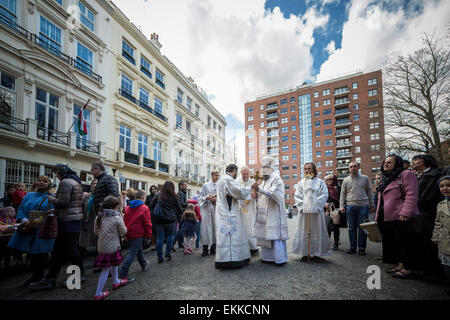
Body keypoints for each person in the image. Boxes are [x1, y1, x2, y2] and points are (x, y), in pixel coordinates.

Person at [30, 164, 84, 291]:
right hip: (72, 220)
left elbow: (64, 202)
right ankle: (50, 278)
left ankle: (77, 275)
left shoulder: (65, 182)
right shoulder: (75, 181)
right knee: (60, 251)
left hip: (67, 220)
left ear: (61, 173)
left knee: (69, 250)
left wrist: (51, 198)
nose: (56, 176)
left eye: (56, 173)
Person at [375, 154, 421, 279]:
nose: (386, 164)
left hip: (401, 215)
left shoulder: (406, 174)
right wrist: (377, 216)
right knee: (397, 242)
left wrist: (406, 212)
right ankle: (400, 265)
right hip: (388, 215)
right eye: (385, 162)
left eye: (390, 162)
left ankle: (409, 268)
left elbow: (412, 194)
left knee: (407, 242)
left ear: (397, 164)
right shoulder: (385, 178)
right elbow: (381, 200)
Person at [7, 176, 56, 287]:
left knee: (40, 254)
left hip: (42, 229)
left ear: (50, 184)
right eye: (39, 180)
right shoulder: (29, 195)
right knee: (31, 254)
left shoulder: (52, 198)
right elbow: (21, 209)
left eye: (45, 181)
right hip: (27, 227)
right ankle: (35, 276)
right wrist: (24, 220)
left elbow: (52, 213)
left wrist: (39, 220)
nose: (41, 182)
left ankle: (39, 276)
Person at [411, 154, 445, 278]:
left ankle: (433, 272)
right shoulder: (419, 176)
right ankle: (424, 269)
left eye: (416, 159)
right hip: (420, 214)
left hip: (429, 213)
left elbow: (428, 196)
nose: (413, 162)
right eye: (412, 160)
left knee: (430, 242)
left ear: (426, 161)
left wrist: (416, 204)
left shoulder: (434, 174)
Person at [215, 164, 254, 269]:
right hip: (230, 214)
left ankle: (223, 259)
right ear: (235, 171)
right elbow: (239, 192)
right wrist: (251, 187)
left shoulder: (221, 180)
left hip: (223, 213)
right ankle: (232, 260)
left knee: (225, 236)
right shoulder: (228, 179)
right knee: (232, 236)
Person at [253, 157, 289, 266]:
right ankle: (267, 258)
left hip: (274, 213)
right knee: (266, 235)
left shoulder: (276, 179)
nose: (264, 170)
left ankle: (279, 258)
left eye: (266, 168)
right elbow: (261, 196)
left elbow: (274, 194)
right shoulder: (264, 181)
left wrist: (259, 190)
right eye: (262, 167)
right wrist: (256, 195)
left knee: (275, 236)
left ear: (271, 169)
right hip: (264, 213)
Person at [292, 162, 330, 262]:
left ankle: (317, 254)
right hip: (305, 212)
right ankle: (305, 253)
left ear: (314, 170)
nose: (307, 171)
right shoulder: (300, 183)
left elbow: (324, 194)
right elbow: (297, 196)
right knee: (304, 231)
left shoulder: (320, 182)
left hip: (316, 212)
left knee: (317, 231)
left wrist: (315, 206)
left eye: (309, 169)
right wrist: (303, 206)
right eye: (305, 169)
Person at [92, 196, 128, 300]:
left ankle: (116, 281)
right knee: (105, 270)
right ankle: (98, 292)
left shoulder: (98, 217)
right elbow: (124, 231)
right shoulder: (116, 218)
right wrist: (121, 217)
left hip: (102, 246)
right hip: (112, 246)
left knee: (114, 264)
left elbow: (96, 232)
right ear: (115, 206)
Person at [339, 162, 374, 255]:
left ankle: (362, 248)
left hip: (363, 206)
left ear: (358, 167)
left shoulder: (365, 178)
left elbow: (370, 191)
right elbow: (342, 194)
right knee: (351, 228)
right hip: (350, 206)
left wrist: (372, 204)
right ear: (349, 169)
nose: (353, 168)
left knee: (363, 228)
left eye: (355, 166)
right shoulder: (345, 180)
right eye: (351, 167)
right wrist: (341, 206)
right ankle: (352, 247)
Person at [119, 190, 151, 282]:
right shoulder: (144, 208)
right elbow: (147, 223)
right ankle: (122, 274)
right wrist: (149, 235)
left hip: (129, 232)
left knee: (138, 249)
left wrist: (125, 234)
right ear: (143, 198)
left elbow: (125, 221)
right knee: (132, 253)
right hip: (138, 233)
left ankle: (144, 264)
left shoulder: (128, 208)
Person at [149, 181, 182, 263]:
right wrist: (181, 214)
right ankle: (167, 253)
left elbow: (151, 206)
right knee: (171, 236)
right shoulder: (174, 196)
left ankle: (160, 257)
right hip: (171, 220)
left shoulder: (158, 195)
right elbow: (179, 209)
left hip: (159, 220)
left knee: (160, 239)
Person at [432, 176, 450, 295]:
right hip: (445, 241)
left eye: (448, 185)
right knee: (447, 266)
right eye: (442, 186)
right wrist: (435, 236)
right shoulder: (441, 204)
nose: (445, 188)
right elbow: (438, 222)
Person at [238, 166, 259, 256]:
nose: (245, 176)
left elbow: (256, 194)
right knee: (242, 227)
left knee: (251, 227)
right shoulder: (237, 182)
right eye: (244, 174)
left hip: (250, 208)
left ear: (249, 174)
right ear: (241, 174)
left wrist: (254, 194)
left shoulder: (252, 182)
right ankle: (243, 246)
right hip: (240, 208)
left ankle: (253, 247)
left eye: (247, 174)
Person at [199, 170, 220, 257]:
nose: (217, 177)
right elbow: (200, 197)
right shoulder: (205, 185)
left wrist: (216, 199)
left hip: (216, 209)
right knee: (205, 229)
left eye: (218, 175)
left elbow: (222, 197)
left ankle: (213, 248)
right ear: (211, 175)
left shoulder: (220, 185)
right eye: (216, 175)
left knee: (215, 228)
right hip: (207, 209)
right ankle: (205, 248)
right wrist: (207, 198)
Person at [79, 179, 98, 268]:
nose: (94, 185)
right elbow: (82, 208)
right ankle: (79, 266)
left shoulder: (100, 196)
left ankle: (98, 264)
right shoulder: (86, 196)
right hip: (87, 222)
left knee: (98, 246)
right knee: (82, 244)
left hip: (97, 223)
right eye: (93, 183)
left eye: (96, 183)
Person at [324, 174, 345, 250]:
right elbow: (322, 198)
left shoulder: (339, 188)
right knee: (327, 227)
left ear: (334, 180)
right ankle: (327, 242)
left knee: (336, 227)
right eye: (327, 180)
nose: (328, 181)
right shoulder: (325, 188)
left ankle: (336, 242)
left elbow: (342, 198)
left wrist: (341, 207)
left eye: (330, 179)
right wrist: (324, 204)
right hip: (327, 210)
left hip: (336, 210)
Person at [175, 181, 188, 249]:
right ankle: (173, 242)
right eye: (185, 185)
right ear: (181, 186)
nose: (186, 186)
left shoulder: (182, 193)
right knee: (181, 229)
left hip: (181, 213)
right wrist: (188, 202)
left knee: (181, 228)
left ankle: (180, 243)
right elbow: (181, 203)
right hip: (181, 213)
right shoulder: (180, 193)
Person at [145, 185, 159, 250]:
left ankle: (157, 244)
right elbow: (146, 205)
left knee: (157, 230)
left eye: (155, 189)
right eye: (152, 189)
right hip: (151, 215)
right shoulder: (148, 197)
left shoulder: (159, 197)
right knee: (153, 230)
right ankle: (153, 244)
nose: (154, 190)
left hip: (158, 215)